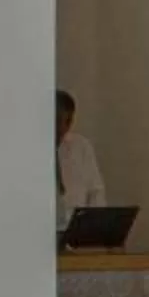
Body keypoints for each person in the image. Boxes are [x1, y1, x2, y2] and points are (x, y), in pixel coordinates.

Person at [55, 90, 105, 228]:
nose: (61, 127)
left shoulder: (81, 146)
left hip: (79, 237)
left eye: (66, 121)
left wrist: (97, 230)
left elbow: (96, 193)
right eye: (56, 120)